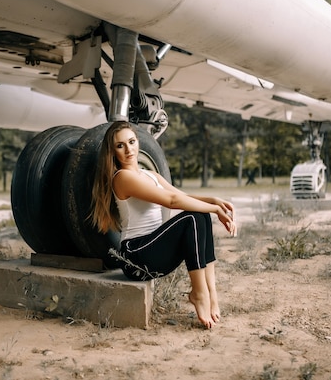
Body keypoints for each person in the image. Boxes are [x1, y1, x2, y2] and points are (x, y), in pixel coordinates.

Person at [91, 121, 237, 329]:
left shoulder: (150, 175)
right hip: (135, 255)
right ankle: (199, 293)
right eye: (120, 145)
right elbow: (171, 201)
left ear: (138, 142)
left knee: (200, 215)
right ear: (112, 151)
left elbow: (180, 195)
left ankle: (211, 293)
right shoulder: (122, 177)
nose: (128, 149)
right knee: (193, 217)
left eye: (131, 142)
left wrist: (213, 201)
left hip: (155, 249)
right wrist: (214, 210)